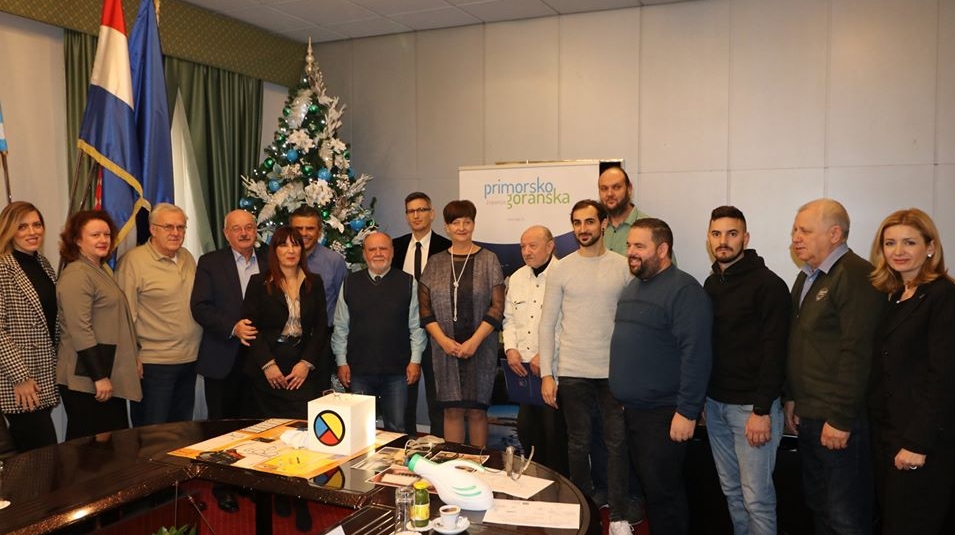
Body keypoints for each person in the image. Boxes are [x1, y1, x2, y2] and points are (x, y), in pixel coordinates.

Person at [785, 198, 885, 535]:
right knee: (821, 508)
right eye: (795, 230)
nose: (795, 237)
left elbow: (857, 352)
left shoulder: (856, 275)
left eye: (805, 230)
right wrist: (793, 397)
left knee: (846, 517)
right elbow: (802, 344)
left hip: (839, 420)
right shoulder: (807, 278)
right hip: (811, 415)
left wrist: (840, 418)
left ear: (835, 234)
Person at [609, 218, 712, 535]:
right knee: (650, 495)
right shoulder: (633, 287)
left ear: (663, 249)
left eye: (639, 246)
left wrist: (687, 411)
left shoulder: (684, 290)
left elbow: (697, 354)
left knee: (664, 497)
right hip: (634, 413)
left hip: (664, 415)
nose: (631, 252)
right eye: (629, 245)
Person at [538, 200, 635, 535]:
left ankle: (619, 516)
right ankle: (585, 513)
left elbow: (632, 324)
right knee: (578, 445)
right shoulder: (561, 269)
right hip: (572, 372)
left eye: (589, 222)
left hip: (613, 374)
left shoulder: (623, 267)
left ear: (603, 224)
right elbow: (547, 323)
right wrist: (547, 374)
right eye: (577, 223)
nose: (583, 229)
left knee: (616, 445)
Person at [703, 206, 790, 535]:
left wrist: (762, 410)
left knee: (757, 499)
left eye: (732, 233)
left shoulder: (768, 285)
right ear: (709, 238)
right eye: (716, 234)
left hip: (751, 410)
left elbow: (776, 351)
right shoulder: (711, 284)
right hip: (715, 406)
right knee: (733, 493)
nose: (723, 241)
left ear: (746, 238)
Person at [868, 208, 955, 535]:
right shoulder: (895, 295)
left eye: (909, 242)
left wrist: (918, 442)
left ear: (930, 247)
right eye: (890, 243)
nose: (898, 251)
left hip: (922, 441)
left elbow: (943, 377)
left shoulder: (943, 296)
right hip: (888, 436)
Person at [190, 209, 266, 513]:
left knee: (255, 426)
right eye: (237, 228)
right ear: (226, 233)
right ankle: (223, 486)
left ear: (256, 230)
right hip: (223, 356)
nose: (244, 233)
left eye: (249, 227)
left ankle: (251, 481)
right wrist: (233, 327)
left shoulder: (269, 258)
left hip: (260, 359)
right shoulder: (210, 262)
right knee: (222, 428)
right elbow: (200, 307)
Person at [418, 200, 504, 447]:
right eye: (456, 223)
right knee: (452, 410)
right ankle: (453, 463)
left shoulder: (489, 260)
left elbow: (497, 306)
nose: (462, 227)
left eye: (467, 222)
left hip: (481, 347)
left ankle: (478, 464)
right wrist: (444, 341)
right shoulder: (435, 263)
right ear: (446, 227)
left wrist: (474, 342)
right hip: (445, 349)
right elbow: (425, 309)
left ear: (474, 224)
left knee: (477, 411)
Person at [56, 210, 142, 439]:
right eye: (95, 235)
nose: (103, 240)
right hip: (87, 378)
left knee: (106, 448)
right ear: (77, 240)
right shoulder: (77, 274)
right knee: (91, 450)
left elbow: (115, 322)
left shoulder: (97, 270)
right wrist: (99, 376)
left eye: (106, 234)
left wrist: (133, 357)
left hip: (104, 372)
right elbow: (80, 330)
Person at [116, 203, 202, 426]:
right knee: (152, 433)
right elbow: (124, 316)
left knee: (182, 430)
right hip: (153, 364)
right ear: (153, 229)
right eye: (168, 227)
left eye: (181, 227)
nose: (176, 233)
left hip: (190, 359)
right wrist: (131, 357)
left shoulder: (187, 257)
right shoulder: (133, 262)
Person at [333, 231, 426, 432]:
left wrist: (415, 361)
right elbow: (340, 327)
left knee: (397, 427)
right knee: (359, 429)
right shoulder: (350, 283)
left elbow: (416, 327)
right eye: (372, 249)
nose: (378, 253)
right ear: (364, 254)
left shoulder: (408, 283)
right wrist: (341, 361)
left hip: (398, 372)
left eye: (383, 248)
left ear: (392, 252)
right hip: (359, 371)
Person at [502, 225, 568, 475]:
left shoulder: (564, 274)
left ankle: (561, 488)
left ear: (550, 246)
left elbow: (568, 322)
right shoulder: (517, 278)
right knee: (528, 434)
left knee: (556, 438)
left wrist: (547, 355)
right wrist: (510, 348)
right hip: (525, 374)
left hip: (555, 372)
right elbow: (509, 319)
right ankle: (537, 485)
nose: (526, 251)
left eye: (532, 246)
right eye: (523, 246)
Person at [242, 226, 327, 419]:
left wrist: (306, 363)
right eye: (284, 245)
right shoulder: (259, 282)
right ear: (275, 250)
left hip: (301, 365)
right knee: (266, 428)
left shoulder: (314, 282)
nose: (291, 250)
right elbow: (250, 327)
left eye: (295, 245)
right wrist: (267, 364)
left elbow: (320, 327)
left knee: (303, 423)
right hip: (267, 367)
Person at [0, 201, 59, 451]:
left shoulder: (43, 264)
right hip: (19, 381)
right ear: (9, 230)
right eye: (22, 226)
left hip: (43, 373)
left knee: (33, 455)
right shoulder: (3, 267)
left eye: (37, 225)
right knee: (42, 454)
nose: (32, 232)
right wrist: (21, 377)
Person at [392, 191, 451, 437]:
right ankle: (405, 444)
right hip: (403, 332)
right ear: (406, 216)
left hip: (437, 331)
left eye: (421, 210)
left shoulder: (446, 247)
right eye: (411, 211)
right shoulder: (395, 247)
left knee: (437, 398)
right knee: (404, 397)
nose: (416, 215)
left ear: (432, 213)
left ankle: (438, 445)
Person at [290, 205, 346, 391]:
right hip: (287, 342)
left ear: (319, 231)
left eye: (310, 228)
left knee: (319, 394)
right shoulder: (279, 260)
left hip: (322, 341)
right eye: (298, 228)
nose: (304, 233)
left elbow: (342, 305)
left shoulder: (334, 261)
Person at [597, 166, 651, 255]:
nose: (609, 194)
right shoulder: (596, 228)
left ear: (629, 189)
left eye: (616, 187)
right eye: (604, 189)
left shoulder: (650, 228)